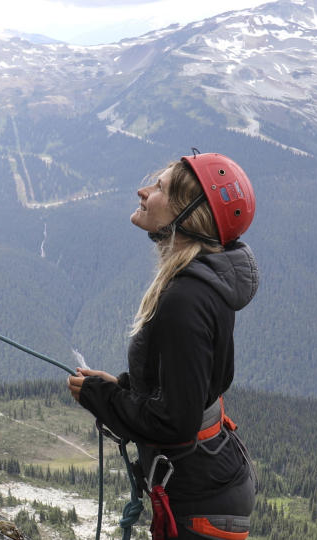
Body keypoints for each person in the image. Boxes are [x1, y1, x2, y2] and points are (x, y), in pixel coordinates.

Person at [68, 151, 258, 540]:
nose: (143, 191)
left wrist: (103, 398)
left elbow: (175, 420)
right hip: (207, 484)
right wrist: (123, 389)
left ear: (187, 215)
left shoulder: (185, 298)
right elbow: (184, 386)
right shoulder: (205, 280)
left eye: (159, 188)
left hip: (200, 498)